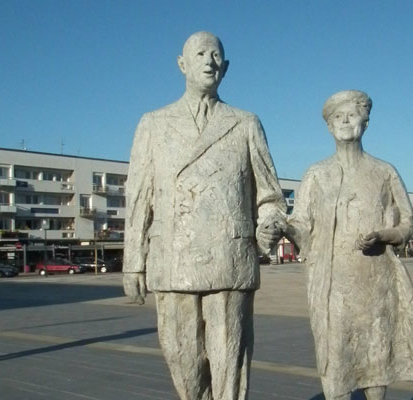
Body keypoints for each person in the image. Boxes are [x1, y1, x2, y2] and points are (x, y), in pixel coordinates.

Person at [122, 32, 285, 400]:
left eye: (216, 56)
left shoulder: (245, 122)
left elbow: (270, 194)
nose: (209, 61)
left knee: (230, 361)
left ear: (225, 68)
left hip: (229, 258)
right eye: (201, 54)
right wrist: (133, 262)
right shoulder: (153, 123)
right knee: (184, 359)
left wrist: (268, 224)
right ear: (183, 64)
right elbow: (138, 197)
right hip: (172, 259)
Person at [286, 90, 413, 400]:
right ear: (328, 126)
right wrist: (283, 226)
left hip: (376, 281)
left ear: (366, 121)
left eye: (352, 114)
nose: (346, 120)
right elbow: (301, 225)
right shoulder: (316, 174)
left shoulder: (384, 171)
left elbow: (406, 225)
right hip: (331, 284)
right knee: (336, 358)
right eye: (338, 116)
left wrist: (382, 234)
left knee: (375, 358)